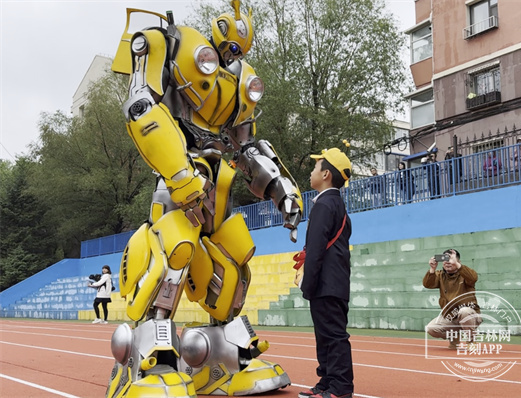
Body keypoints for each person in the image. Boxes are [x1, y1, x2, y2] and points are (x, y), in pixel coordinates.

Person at [107, 1, 302, 395]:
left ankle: (225, 358)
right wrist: (178, 171)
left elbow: (246, 146)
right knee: (174, 253)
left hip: (217, 182)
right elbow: (141, 105)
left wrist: (282, 189)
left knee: (235, 258)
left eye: (237, 51)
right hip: (179, 177)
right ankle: (149, 358)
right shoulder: (174, 44)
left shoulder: (240, 83)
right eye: (228, 46)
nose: (232, 54)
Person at [299, 148, 354, 398]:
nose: (311, 172)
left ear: (326, 174)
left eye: (315, 167)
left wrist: (307, 285)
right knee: (326, 336)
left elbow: (317, 249)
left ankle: (340, 387)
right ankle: (327, 383)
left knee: (332, 337)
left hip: (326, 283)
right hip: (334, 282)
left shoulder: (324, 204)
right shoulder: (336, 204)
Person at [423, 249, 482, 349]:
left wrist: (458, 266)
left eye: (450, 259)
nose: (447, 262)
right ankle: (455, 335)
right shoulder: (441, 275)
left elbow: (473, 278)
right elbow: (427, 284)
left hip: (469, 315)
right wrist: (432, 269)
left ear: (458, 261)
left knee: (464, 311)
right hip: (451, 316)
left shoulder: (465, 274)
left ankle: (471, 341)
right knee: (431, 329)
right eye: (445, 259)